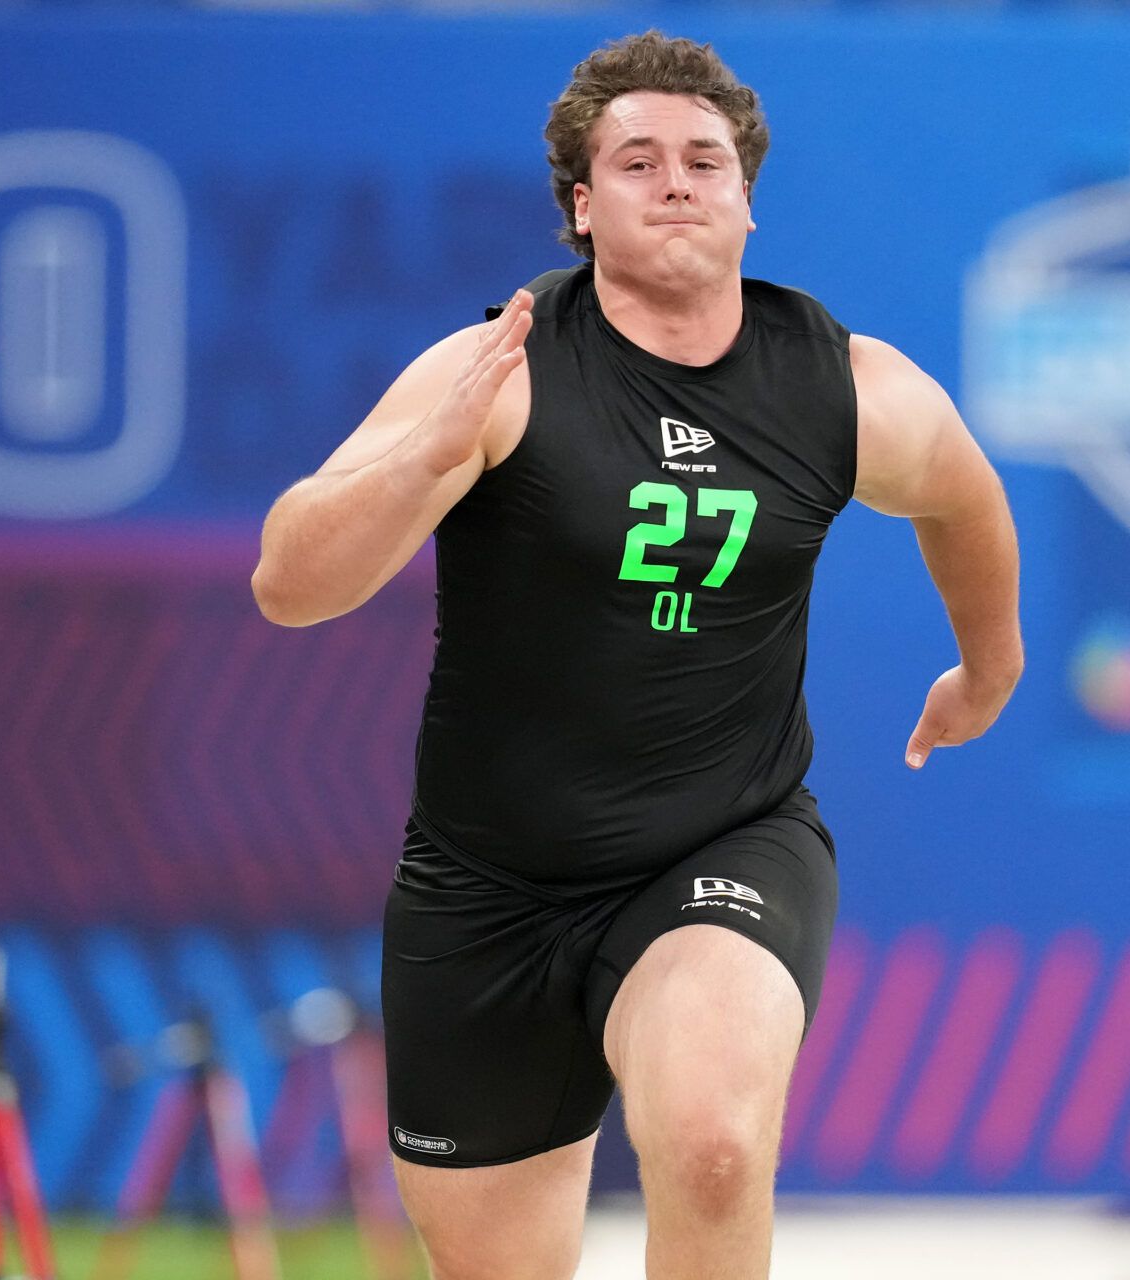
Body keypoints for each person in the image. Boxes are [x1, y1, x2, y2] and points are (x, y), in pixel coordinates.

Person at [251, 30, 1022, 1280]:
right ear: (580, 205)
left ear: (749, 202)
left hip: (723, 839)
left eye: (706, 161)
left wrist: (989, 669)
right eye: (639, 160)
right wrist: (421, 462)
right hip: (487, 884)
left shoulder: (841, 384)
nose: (676, 181)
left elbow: (965, 494)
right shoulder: (496, 368)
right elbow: (289, 583)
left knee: (714, 1140)